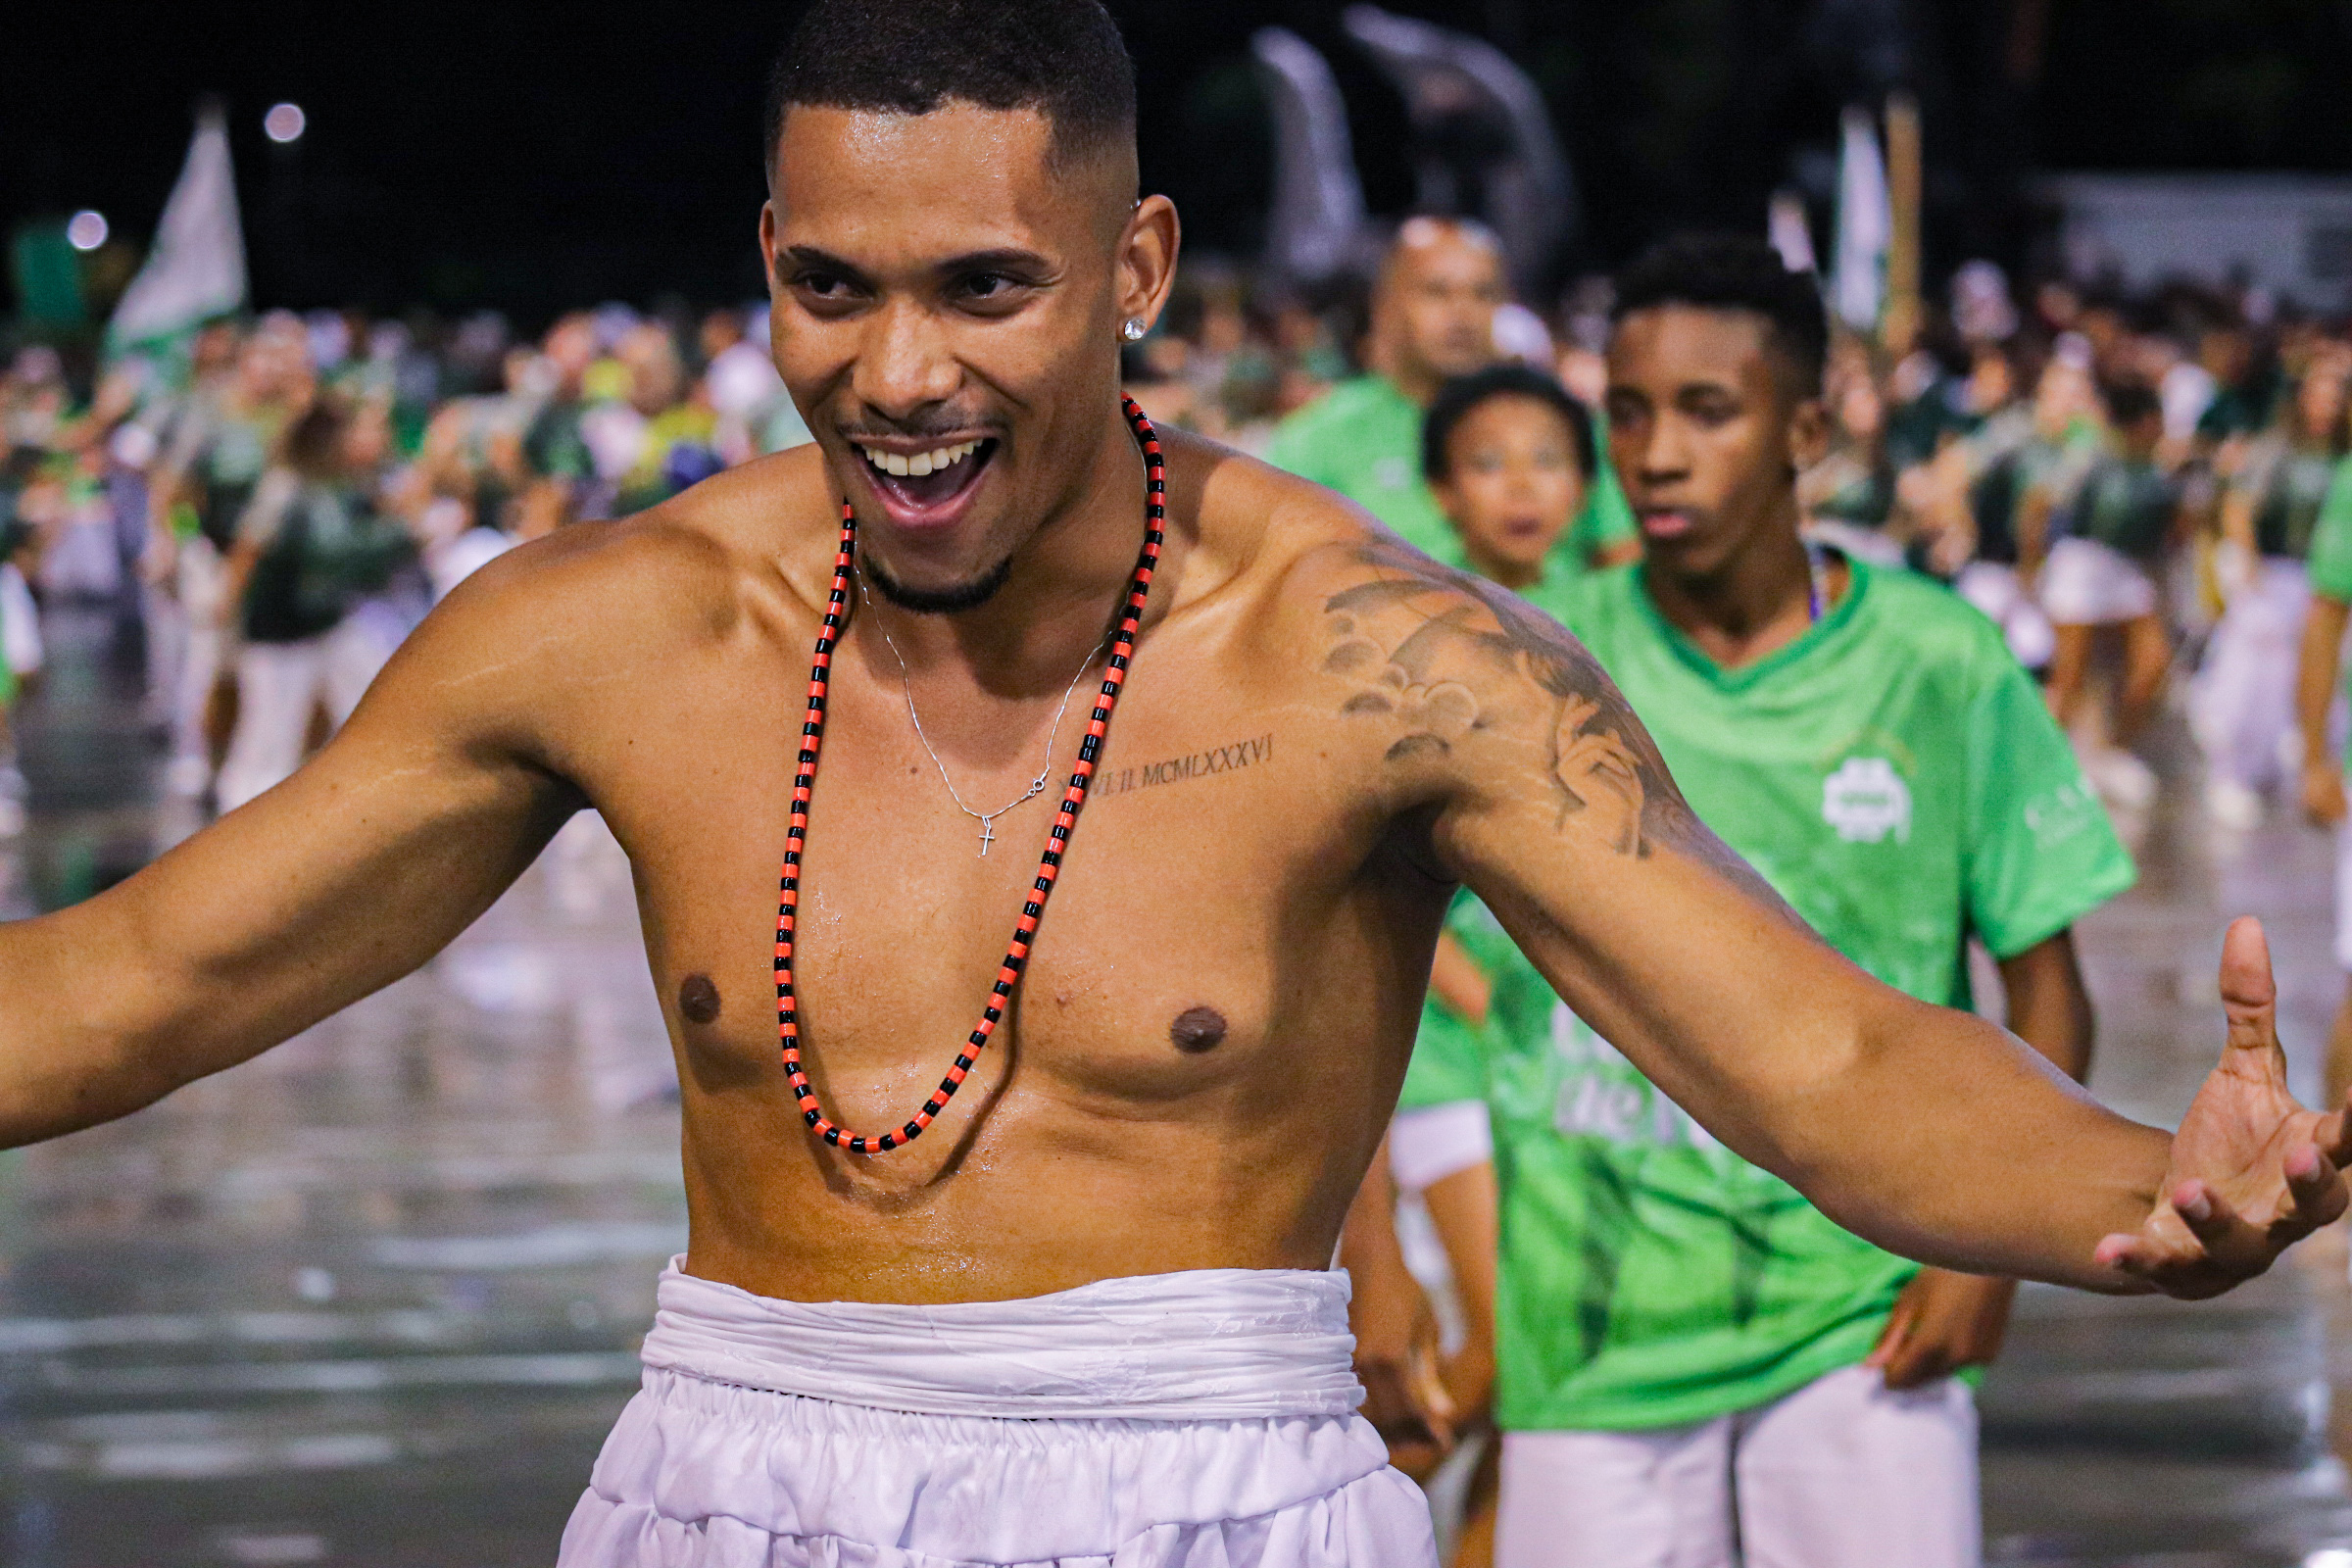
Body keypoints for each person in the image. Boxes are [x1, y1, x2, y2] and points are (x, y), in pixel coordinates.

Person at [0, 7, 2342, 1567]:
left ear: (1133, 264)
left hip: (1210, 1487)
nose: (896, 373)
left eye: (982, 288)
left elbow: (1811, 1052)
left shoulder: (1377, 659)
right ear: (764, 265)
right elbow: (140, 980)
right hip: (720, 1475)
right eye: (832, 289)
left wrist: (2140, 1181)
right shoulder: (612, 627)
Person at [1356, 234, 2135, 1568]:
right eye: (1629, 414)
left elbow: (2047, 991)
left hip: (1859, 1317)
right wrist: (1373, 1255)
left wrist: (1986, 1256)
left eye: (1707, 411)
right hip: (1593, 1331)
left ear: (1807, 432)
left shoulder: (1937, 661)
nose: (1657, 454)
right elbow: (1359, 971)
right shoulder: (1532, 665)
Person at [1266, 220, 1641, 578]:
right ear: (1386, 305)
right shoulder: (1316, 437)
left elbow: (1624, 565)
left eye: (1483, 293)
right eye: (1437, 291)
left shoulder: (1562, 422)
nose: (1462, 313)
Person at [2194, 353, 2350, 827]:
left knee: (2313, 679)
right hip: (2274, 574)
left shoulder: (2341, 459)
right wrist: (2249, 565)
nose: (2327, 405)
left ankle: (2303, 769)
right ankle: (2231, 773)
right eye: (2319, 394)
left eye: (2337, 396)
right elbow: (2239, 504)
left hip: (2322, 579)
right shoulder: (2277, 448)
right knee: (2251, 678)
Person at [2035, 379, 2186, 809]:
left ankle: (2109, 751)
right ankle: (2042, 767)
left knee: (2153, 663)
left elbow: (2175, 532)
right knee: (2070, 675)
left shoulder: (2159, 471)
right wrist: (2032, 564)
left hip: (2126, 568)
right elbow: (2039, 502)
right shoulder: (2090, 458)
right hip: (2081, 561)